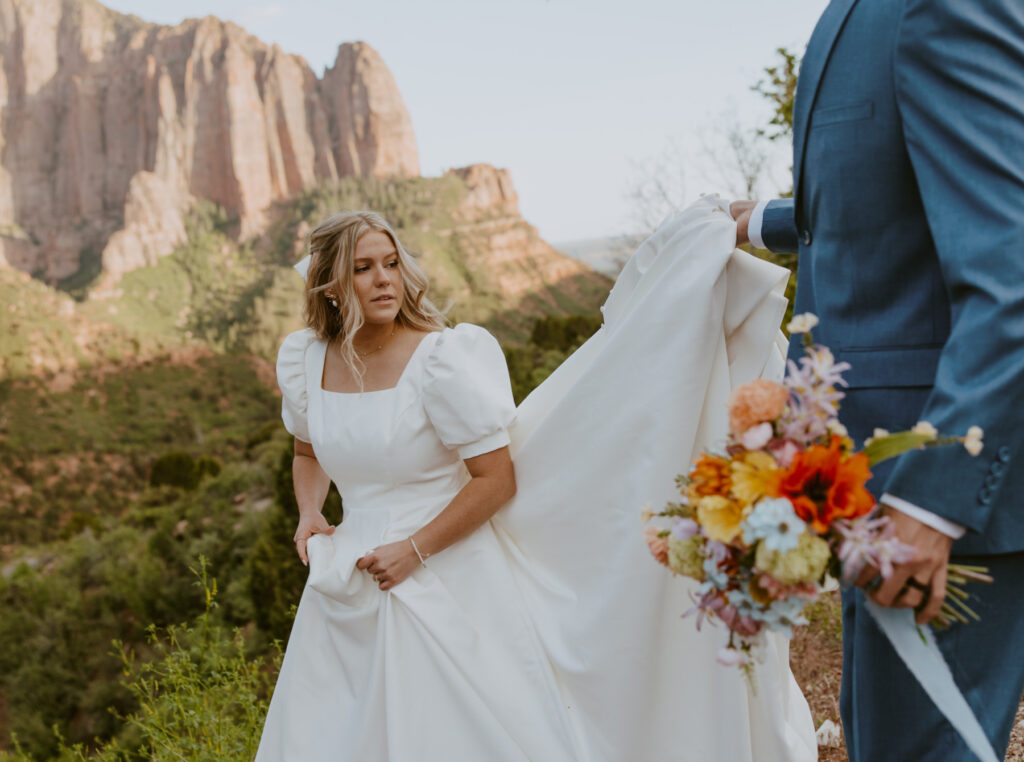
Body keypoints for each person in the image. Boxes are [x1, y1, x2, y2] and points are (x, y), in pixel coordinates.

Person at [256, 202, 817, 761]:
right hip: (345, 580)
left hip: (444, 570)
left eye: (391, 263)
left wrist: (411, 551)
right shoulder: (307, 360)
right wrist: (310, 513)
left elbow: (496, 481)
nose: (383, 279)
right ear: (329, 284)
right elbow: (308, 453)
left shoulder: (441, 360)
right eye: (361, 268)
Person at [731, 1, 1024, 759]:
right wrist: (768, 221)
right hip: (869, 493)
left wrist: (934, 499)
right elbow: (902, 187)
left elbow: (1011, 269)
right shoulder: (857, 13)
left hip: (937, 503)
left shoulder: (944, 6)